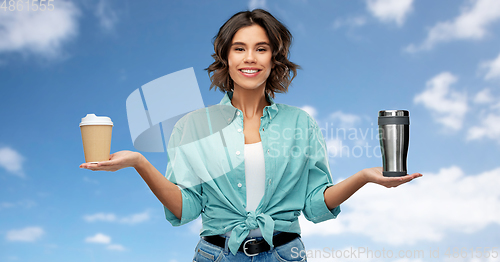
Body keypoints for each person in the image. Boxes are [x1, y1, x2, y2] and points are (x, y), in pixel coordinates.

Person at [80, 9, 422, 261]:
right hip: (215, 254)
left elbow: (315, 207)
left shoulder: (301, 124)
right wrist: (139, 162)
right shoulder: (193, 127)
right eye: (239, 48)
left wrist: (363, 177)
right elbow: (186, 209)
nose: (250, 58)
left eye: (261, 48)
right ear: (225, 57)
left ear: (275, 58)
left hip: (285, 254)